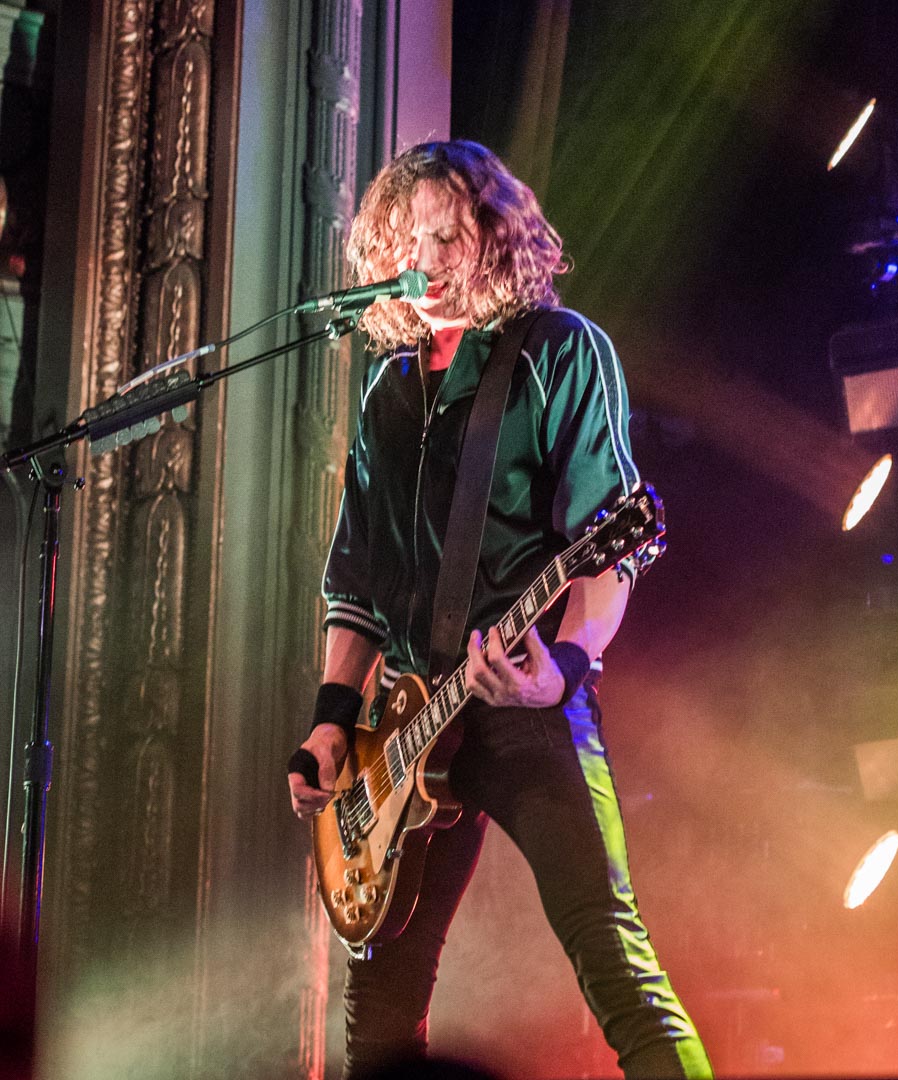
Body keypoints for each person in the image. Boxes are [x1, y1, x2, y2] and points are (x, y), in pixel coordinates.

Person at [287, 140, 712, 1080]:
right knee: (379, 1014)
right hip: (401, 730)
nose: (426, 260)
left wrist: (563, 669)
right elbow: (356, 581)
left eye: (447, 236)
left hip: (525, 706)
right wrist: (331, 719)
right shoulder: (391, 390)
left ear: (495, 235)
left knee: (611, 955)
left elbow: (611, 543)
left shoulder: (562, 351)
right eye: (409, 242)